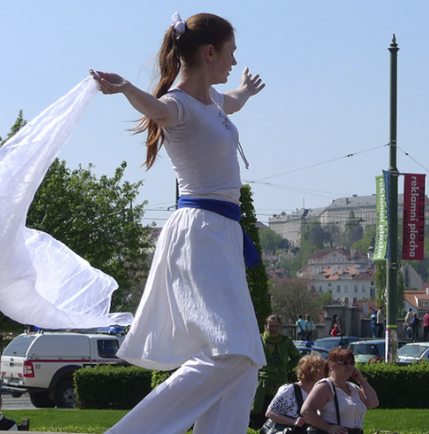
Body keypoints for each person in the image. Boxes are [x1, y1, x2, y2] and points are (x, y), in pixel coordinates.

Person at [91, 12, 267, 434]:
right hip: (200, 232)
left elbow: (234, 102)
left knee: (245, 364)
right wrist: (125, 87)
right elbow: (156, 108)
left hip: (221, 232)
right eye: (229, 54)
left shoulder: (212, 101)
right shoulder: (179, 105)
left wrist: (244, 89)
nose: (231, 61)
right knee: (233, 352)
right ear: (209, 52)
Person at [300, 348, 378, 434]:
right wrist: (328, 427)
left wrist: (362, 380)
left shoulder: (352, 387)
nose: (349, 366)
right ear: (331, 365)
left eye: (352, 363)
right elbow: (306, 411)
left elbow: (373, 403)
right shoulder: (325, 386)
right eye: (344, 363)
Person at [250, 315, 302, 429]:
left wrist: (285, 368)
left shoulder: (286, 342)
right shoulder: (258, 340)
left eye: (276, 326)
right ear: (265, 327)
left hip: (279, 384)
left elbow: (297, 357)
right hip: (260, 385)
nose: (273, 329)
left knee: (277, 417)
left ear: (280, 327)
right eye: (271, 326)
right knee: (257, 414)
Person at [264, 354, 326, 434]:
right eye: (320, 372)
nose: (323, 375)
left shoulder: (320, 391)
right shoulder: (289, 390)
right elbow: (270, 413)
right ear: (308, 371)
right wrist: (293, 421)